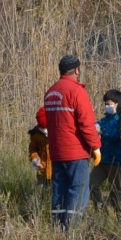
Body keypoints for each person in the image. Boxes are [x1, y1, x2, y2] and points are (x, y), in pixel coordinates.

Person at [44, 55, 101, 231]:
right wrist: (96, 147)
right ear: (76, 70)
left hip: (56, 151)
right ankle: (71, 230)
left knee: (59, 189)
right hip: (76, 152)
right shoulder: (77, 91)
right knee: (78, 189)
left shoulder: (51, 92)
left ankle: (57, 228)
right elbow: (86, 123)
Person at [89, 89, 121, 213]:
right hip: (102, 159)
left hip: (116, 160)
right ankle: (101, 207)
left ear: (117, 104)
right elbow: (93, 129)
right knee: (91, 184)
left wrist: (101, 132)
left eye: (109, 103)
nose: (107, 106)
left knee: (116, 189)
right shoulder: (103, 120)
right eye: (105, 104)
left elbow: (118, 136)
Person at [28, 106, 52, 183]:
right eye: (42, 128)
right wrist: (35, 160)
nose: (45, 130)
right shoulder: (35, 133)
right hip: (42, 171)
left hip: (57, 173)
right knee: (44, 193)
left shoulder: (58, 131)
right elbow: (32, 149)